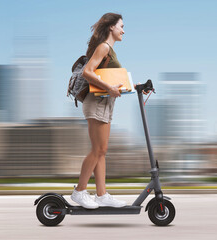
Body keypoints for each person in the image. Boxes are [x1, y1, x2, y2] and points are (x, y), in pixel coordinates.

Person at [71, 13, 147, 209]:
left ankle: (101, 195)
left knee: (102, 151)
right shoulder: (104, 47)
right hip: (96, 102)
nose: (123, 30)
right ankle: (79, 191)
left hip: (104, 103)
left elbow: (113, 80)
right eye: (121, 26)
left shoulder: (111, 51)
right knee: (97, 150)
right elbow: (88, 72)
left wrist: (136, 86)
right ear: (111, 27)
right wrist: (110, 88)